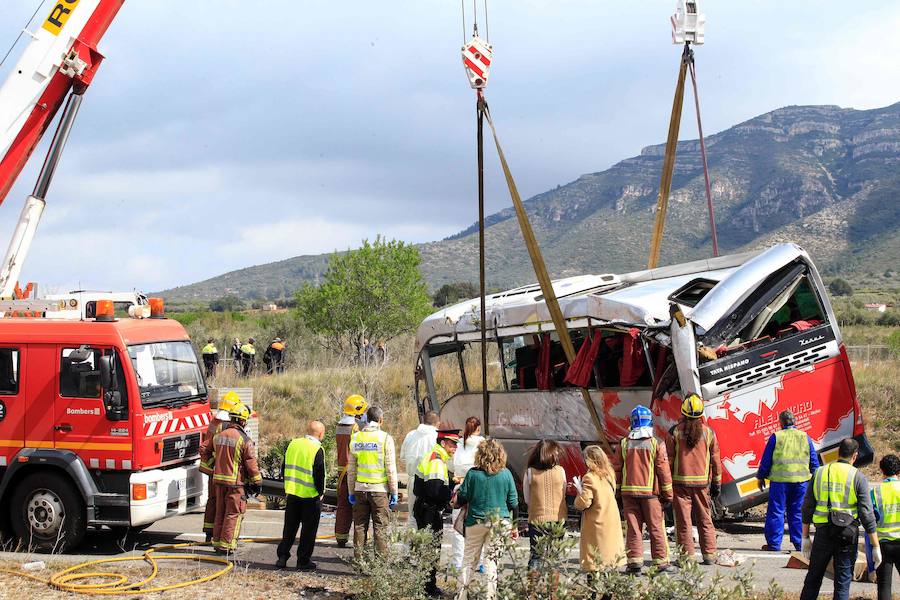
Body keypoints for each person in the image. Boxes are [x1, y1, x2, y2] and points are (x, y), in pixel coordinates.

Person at [799, 438, 880, 600]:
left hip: (823, 533)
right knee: (842, 583)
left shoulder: (820, 472)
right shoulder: (858, 477)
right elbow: (866, 513)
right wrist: (875, 545)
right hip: (847, 535)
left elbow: (807, 507)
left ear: (838, 452)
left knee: (813, 579)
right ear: (855, 456)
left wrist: (805, 537)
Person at [454, 438, 518, 600]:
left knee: (469, 560)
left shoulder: (473, 474)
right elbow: (513, 503)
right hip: (499, 522)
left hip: (475, 521)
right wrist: (514, 526)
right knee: (491, 562)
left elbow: (463, 497)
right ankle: (490, 596)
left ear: (480, 455)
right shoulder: (506, 474)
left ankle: (462, 595)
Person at [614, 405, 674, 574]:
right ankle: (661, 564)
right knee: (656, 528)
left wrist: (617, 494)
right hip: (651, 496)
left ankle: (634, 564)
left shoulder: (623, 444)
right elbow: (664, 471)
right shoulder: (656, 444)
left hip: (628, 494)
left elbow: (617, 470)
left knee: (633, 529)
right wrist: (668, 495)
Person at [665, 394, 722, 564]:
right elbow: (715, 459)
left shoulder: (674, 432)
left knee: (683, 523)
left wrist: (664, 485)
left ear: (683, 412)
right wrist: (716, 483)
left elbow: (668, 460)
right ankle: (710, 555)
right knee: (705, 520)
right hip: (702, 485)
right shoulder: (709, 432)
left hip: (680, 485)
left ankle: (686, 558)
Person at [201, 402, 262, 553]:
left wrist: (212, 468)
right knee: (233, 514)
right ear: (242, 421)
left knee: (220, 512)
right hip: (235, 484)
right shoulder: (244, 440)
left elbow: (205, 451)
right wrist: (257, 481)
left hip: (219, 482)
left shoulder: (218, 436)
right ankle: (227, 546)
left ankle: (217, 543)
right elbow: (251, 464)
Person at [757, 409, 820, 552]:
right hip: (801, 482)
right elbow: (814, 462)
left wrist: (761, 476)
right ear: (795, 421)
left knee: (777, 512)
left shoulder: (776, 437)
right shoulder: (805, 437)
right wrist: (816, 480)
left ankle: (774, 544)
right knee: (797, 512)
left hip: (780, 482)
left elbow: (766, 460)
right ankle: (799, 544)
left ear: (780, 422)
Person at [413, 429, 460, 597]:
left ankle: (425, 584)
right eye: (452, 444)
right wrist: (452, 493)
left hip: (425, 508)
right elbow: (435, 490)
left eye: (456, 444)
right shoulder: (437, 462)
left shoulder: (435, 457)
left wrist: (449, 479)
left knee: (427, 549)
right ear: (443, 443)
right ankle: (428, 587)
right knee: (431, 550)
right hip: (429, 511)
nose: (455, 447)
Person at [347, 406, 398, 556]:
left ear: (366, 420)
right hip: (379, 491)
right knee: (380, 527)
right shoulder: (385, 438)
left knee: (359, 526)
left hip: (360, 490)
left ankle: (359, 561)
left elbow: (351, 470)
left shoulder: (356, 438)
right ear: (381, 420)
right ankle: (380, 566)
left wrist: (351, 491)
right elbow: (390, 468)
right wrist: (394, 491)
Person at [276, 420, 326, 571]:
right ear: (321, 434)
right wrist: (321, 493)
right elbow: (320, 474)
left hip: (292, 493)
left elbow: (284, 467)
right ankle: (303, 561)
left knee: (289, 528)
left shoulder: (293, 444)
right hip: (310, 496)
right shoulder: (317, 448)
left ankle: (282, 557)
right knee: (308, 531)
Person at [574, 445, 625, 572]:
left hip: (597, 521)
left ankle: (594, 590)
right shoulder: (609, 474)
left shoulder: (589, 477)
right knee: (610, 558)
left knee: (594, 561)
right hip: (611, 518)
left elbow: (584, 502)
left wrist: (578, 493)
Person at [199, 391, 240, 541]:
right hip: (225, 471)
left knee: (213, 501)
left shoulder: (214, 421)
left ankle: (210, 534)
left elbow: (205, 447)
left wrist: (210, 467)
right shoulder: (227, 425)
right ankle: (221, 536)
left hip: (214, 471)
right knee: (225, 504)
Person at [523, 439, 567, 570]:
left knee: (535, 556)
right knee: (555, 557)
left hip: (537, 519)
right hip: (558, 518)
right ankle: (553, 590)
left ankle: (532, 589)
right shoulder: (561, 471)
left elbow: (527, 499)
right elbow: (563, 494)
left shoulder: (530, 472)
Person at [449, 417, 485, 570]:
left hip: (460, 486)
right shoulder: (483, 444)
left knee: (458, 525)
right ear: (478, 428)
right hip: (480, 488)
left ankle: (457, 562)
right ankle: (480, 562)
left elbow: (451, 465)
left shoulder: (458, 444)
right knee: (480, 525)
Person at [335, 394, 368, 548]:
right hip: (353, 471)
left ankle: (341, 537)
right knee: (358, 507)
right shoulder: (355, 428)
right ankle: (359, 542)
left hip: (341, 472)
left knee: (342, 505)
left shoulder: (339, 426)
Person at [400, 411, 440, 528]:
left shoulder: (410, 435)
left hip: (413, 479)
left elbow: (403, 457)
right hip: (432, 481)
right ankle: (428, 545)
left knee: (413, 516)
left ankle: (411, 545)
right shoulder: (437, 436)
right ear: (438, 423)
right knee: (432, 517)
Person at [873, 454, 900, 600]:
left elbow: (870, 519)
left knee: (883, 585)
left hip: (883, 544)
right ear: (899, 471)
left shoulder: (876, 492)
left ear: (882, 471)